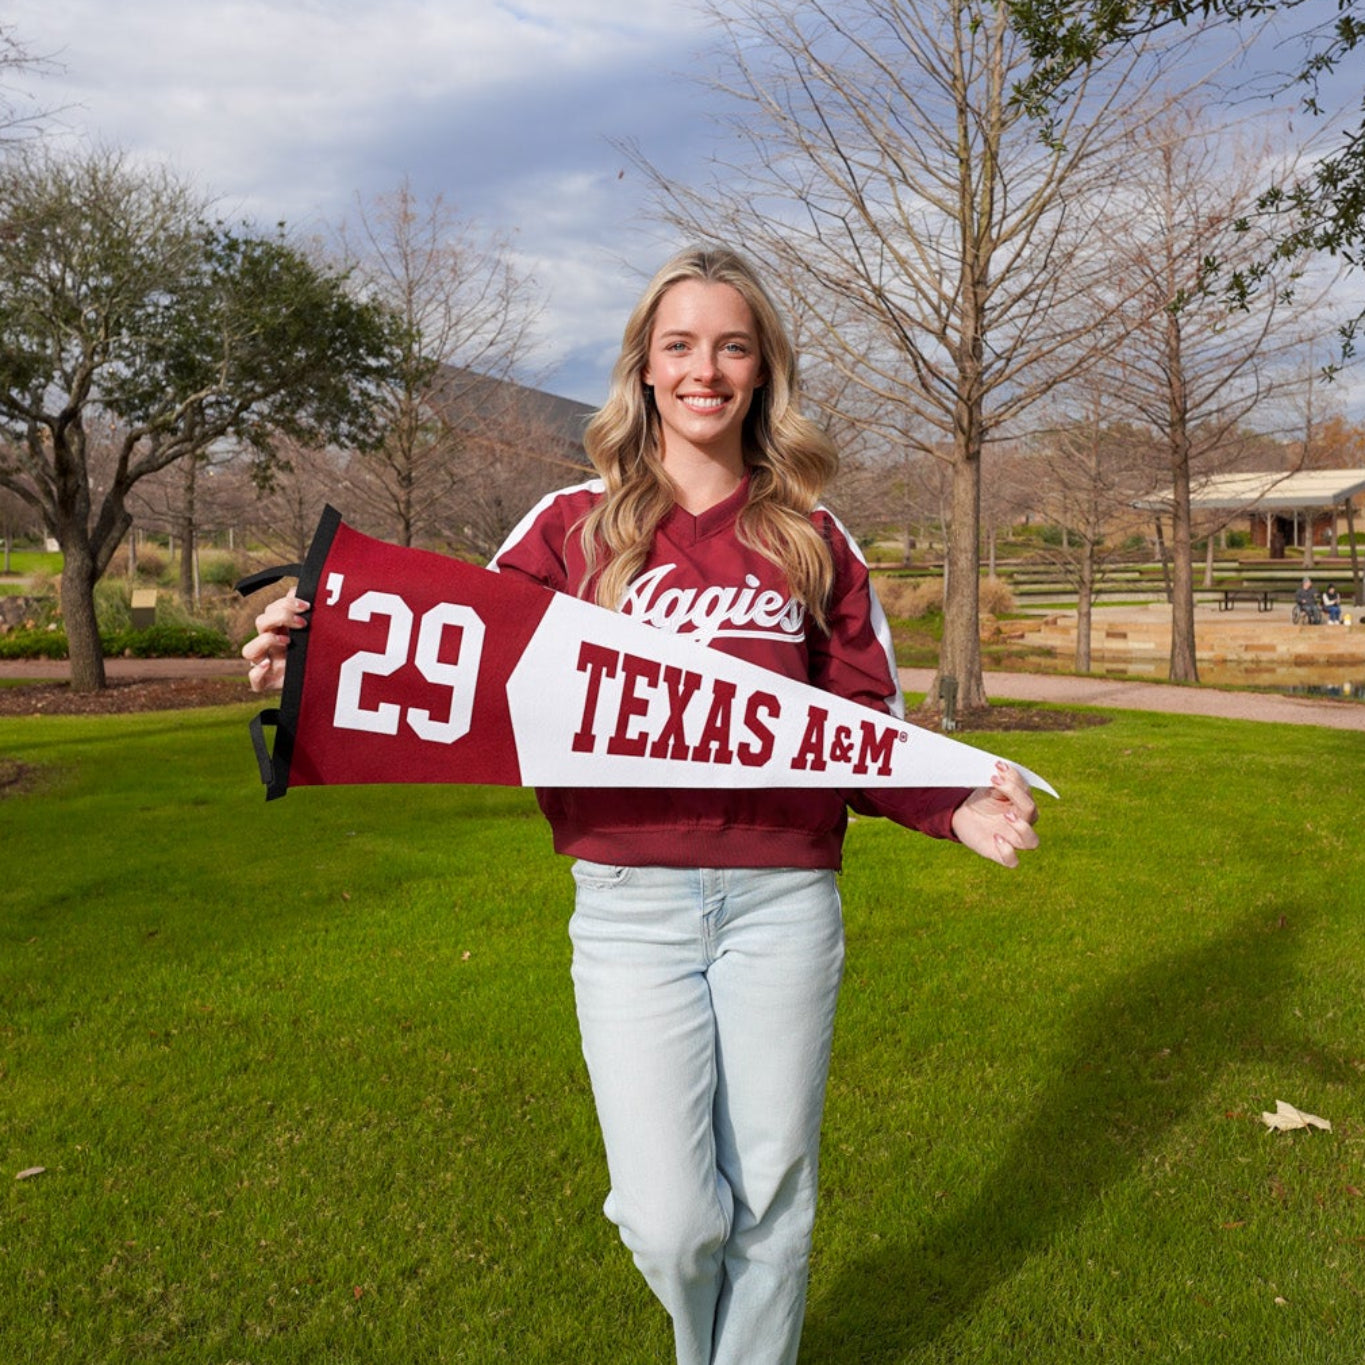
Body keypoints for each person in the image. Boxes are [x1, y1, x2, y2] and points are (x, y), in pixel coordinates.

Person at [242, 246, 1039, 1365]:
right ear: (646, 368)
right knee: (673, 1223)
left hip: (781, 904)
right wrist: (320, 655)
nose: (705, 369)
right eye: (680, 345)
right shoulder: (570, 527)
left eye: (731, 347)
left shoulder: (813, 537)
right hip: (629, 905)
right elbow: (459, 661)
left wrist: (952, 802)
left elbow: (860, 722)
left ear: (761, 370)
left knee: (771, 1196)